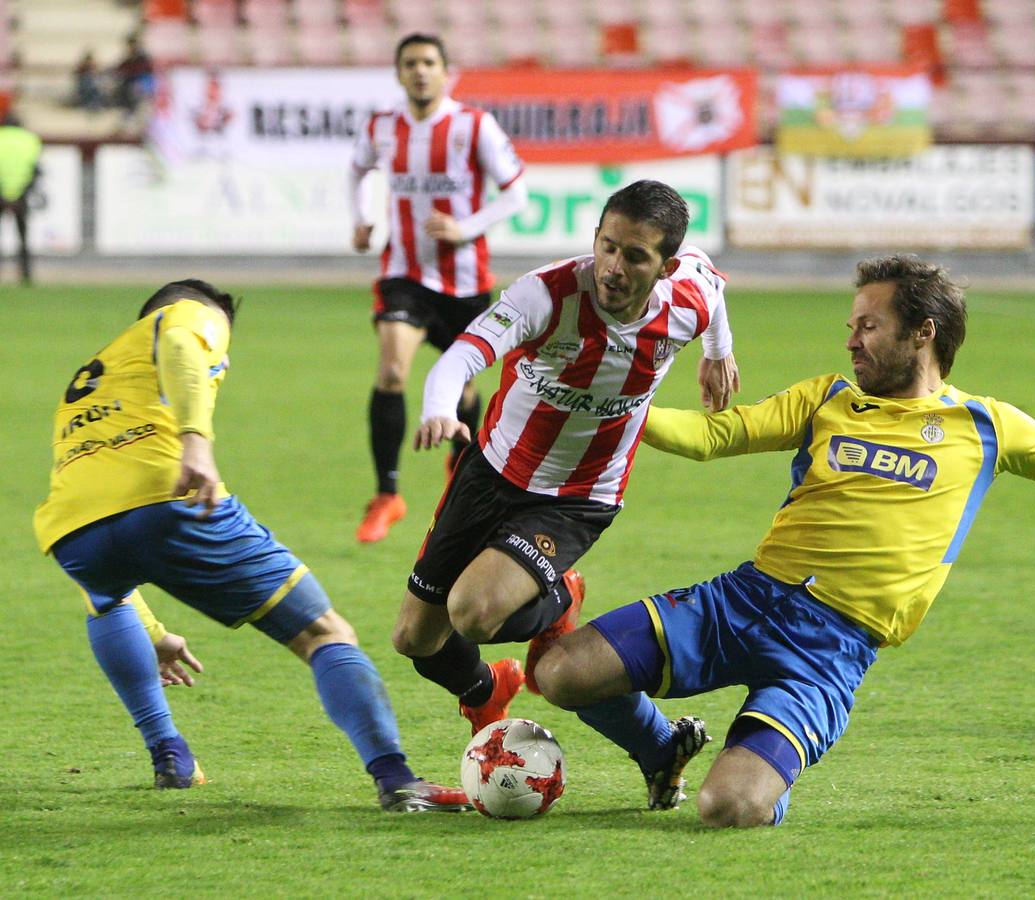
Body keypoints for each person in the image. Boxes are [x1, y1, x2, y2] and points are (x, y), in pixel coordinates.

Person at [532, 255, 1035, 827]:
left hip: (828, 650)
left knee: (728, 807)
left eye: (868, 325)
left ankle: (752, 773)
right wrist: (605, 401)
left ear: (923, 333)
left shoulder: (986, 426)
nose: (851, 340)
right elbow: (711, 436)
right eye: (852, 325)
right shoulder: (828, 398)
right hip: (744, 600)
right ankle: (661, 749)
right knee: (559, 672)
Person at [33, 279, 469, 811]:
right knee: (325, 634)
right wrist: (196, 441)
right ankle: (395, 779)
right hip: (170, 500)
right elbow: (181, 343)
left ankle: (170, 753)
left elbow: (106, 525)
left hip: (73, 533)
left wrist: (154, 634)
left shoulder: (93, 379)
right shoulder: (190, 315)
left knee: (109, 600)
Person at [391, 179, 740, 741]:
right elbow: (460, 357)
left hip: (579, 495)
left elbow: (713, 290)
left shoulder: (685, 301)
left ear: (666, 267)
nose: (613, 268)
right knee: (416, 639)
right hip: (492, 470)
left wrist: (718, 353)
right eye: (607, 246)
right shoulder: (546, 296)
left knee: (473, 613)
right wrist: (438, 409)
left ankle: (559, 596)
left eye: (635, 256)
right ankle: (485, 690)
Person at [350, 33, 530, 543]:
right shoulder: (382, 126)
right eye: (410, 63)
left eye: (429, 62)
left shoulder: (474, 125)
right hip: (404, 273)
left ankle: (458, 461)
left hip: (464, 280)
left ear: (446, 72)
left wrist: (464, 227)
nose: (420, 70)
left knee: (464, 387)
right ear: (399, 73)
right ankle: (387, 494)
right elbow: (357, 170)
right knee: (391, 370)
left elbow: (516, 194)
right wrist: (362, 218)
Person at [0, 111, 41, 286]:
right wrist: (22, 191)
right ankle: (25, 274)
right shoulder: (30, 139)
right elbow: (35, 169)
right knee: (23, 236)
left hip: (0, 192)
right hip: (22, 192)